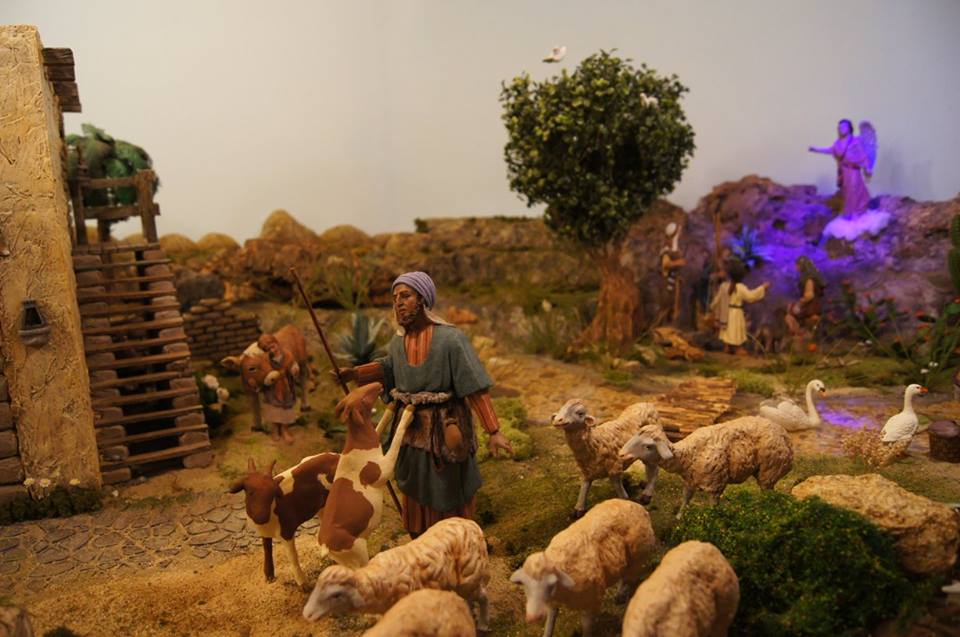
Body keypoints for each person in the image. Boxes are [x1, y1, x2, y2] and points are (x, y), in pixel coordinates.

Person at [334, 271, 513, 537]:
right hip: (411, 427)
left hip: (446, 425)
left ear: (422, 299)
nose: (398, 302)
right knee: (415, 483)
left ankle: (458, 538)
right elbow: (388, 368)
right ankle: (420, 538)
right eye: (395, 298)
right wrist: (356, 374)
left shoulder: (451, 339)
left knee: (449, 482)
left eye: (405, 296)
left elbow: (474, 386)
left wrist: (494, 431)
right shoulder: (398, 342)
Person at [809, 119, 871, 215]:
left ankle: (859, 211)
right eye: (840, 127)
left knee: (855, 188)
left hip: (854, 170)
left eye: (844, 126)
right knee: (847, 191)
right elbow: (830, 150)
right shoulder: (838, 143)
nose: (842, 129)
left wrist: (867, 167)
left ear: (849, 128)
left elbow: (863, 155)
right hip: (844, 171)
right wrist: (816, 149)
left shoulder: (855, 141)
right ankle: (850, 211)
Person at [713, 259, 769, 355]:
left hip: (726, 312)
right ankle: (736, 348)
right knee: (735, 330)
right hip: (735, 313)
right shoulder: (740, 288)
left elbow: (717, 300)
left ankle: (728, 346)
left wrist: (713, 308)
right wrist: (763, 287)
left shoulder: (724, 286)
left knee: (729, 330)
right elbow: (751, 296)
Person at [258, 333, 299, 444]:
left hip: (286, 386)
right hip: (273, 388)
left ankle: (285, 429)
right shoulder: (266, 359)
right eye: (268, 349)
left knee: (285, 408)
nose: (272, 350)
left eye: (273, 346)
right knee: (275, 409)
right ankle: (275, 428)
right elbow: (264, 372)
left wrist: (294, 370)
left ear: (277, 343)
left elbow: (293, 365)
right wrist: (268, 378)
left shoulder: (287, 355)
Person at [785, 256, 825, 349]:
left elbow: (809, 295)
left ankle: (799, 337)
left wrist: (799, 304)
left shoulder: (809, 278)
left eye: (797, 265)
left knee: (789, 316)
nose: (796, 267)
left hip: (810, 307)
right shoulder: (813, 277)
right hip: (815, 306)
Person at [659, 222, 686, 325]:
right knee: (667, 305)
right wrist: (679, 262)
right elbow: (666, 264)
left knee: (675, 306)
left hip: (675, 282)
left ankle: (672, 325)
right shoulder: (666, 251)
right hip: (668, 283)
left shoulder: (674, 250)